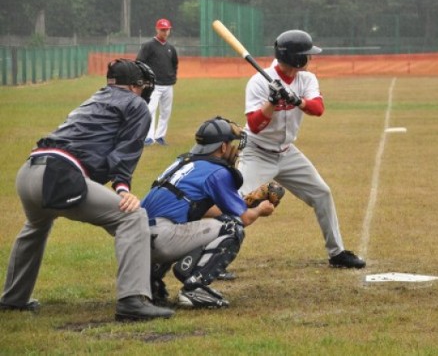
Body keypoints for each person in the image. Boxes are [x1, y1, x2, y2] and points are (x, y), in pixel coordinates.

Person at [0, 59, 174, 322]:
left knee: (35, 227)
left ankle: (13, 299)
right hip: (58, 174)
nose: (145, 90)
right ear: (135, 86)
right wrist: (122, 188)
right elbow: (125, 152)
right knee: (132, 216)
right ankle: (132, 301)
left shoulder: (97, 97)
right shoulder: (136, 104)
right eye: (143, 85)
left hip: (29, 171)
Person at [237, 29, 366, 269]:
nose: (311, 58)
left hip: (287, 153)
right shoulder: (259, 81)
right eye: (307, 54)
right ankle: (211, 259)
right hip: (257, 152)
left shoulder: (306, 79)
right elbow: (255, 125)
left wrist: (297, 100)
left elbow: (317, 109)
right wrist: (272, 103)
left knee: (322, 193)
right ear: (296, 58)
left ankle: (337, 253)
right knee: (235, 203)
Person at [142, 117, 275, 308]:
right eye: (231, 144)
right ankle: (194, 288)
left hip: (137, 241)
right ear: (222, 147)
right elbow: (243, 218)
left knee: (183, 222)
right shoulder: (217, 171)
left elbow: (196, 208)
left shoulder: (182, 162)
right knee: (232, 227)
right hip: (163, 239)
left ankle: (151, 282)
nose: (235, 149)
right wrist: (261, 209)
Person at [137, 18, 178, 146]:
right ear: (157, 29)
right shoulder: (149, 46)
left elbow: (174, 63)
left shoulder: (170, 48)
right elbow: (139, 62)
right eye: (163, 30)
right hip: (153, 85)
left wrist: (172, 76)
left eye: (167, 30)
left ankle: (160, 136)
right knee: (150, 110)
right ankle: (148, 137)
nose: (165, 32)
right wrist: (145, 79)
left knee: (166, 111)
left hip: (168, 84)